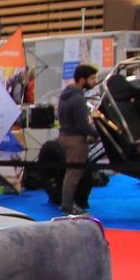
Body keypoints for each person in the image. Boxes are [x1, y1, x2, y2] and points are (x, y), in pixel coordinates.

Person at [57, 64, 98, 216]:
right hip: (76, 140)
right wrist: (96, 133)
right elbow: (83, 125)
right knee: (73, 175)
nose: (94, 81)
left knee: (70, 174)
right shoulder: (78, 99)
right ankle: (67, 206)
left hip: (64, 136)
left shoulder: (65, 95)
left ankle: (67, 204)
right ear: (82, 79)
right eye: (92, 78)